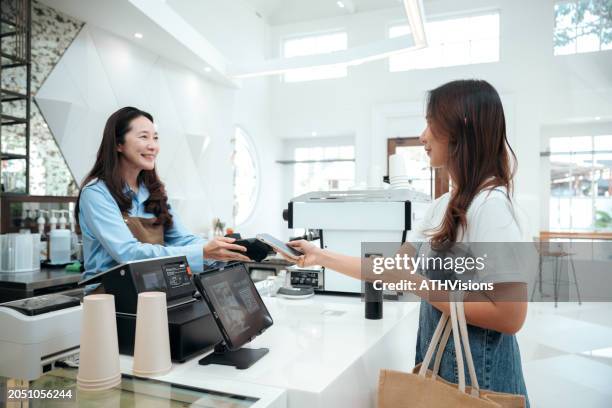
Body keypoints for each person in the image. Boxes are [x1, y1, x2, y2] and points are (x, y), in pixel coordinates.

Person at [285, 80, 530, 404]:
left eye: (430, 123)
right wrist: (320, 256)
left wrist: (419, 285)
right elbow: (389, 269)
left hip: (483, 380)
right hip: (447, 372)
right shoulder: (443, 205)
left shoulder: (491, 206)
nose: (423, 136)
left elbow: (510, 316)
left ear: (460, 129)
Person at [76, 106, 250, 281]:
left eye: (155, 138)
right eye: (144, 137)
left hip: (151, 289)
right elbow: (128, 254)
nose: (153, 146)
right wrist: (203, 252)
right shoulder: (96, 194)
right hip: (108, 297)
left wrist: (223, 250)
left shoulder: (153, 192)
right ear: (118, 144)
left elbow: (182, 240)